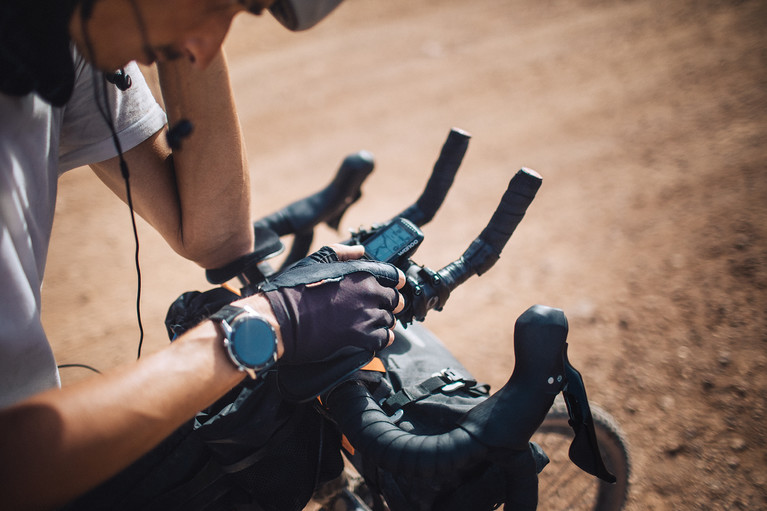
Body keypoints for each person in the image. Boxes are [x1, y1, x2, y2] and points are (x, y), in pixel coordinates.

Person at [0, 0, 404, 509]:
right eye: (213, 6)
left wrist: (178, 39)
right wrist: (265, 327)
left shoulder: (61, 33)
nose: (210, 46)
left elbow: (213, 236)